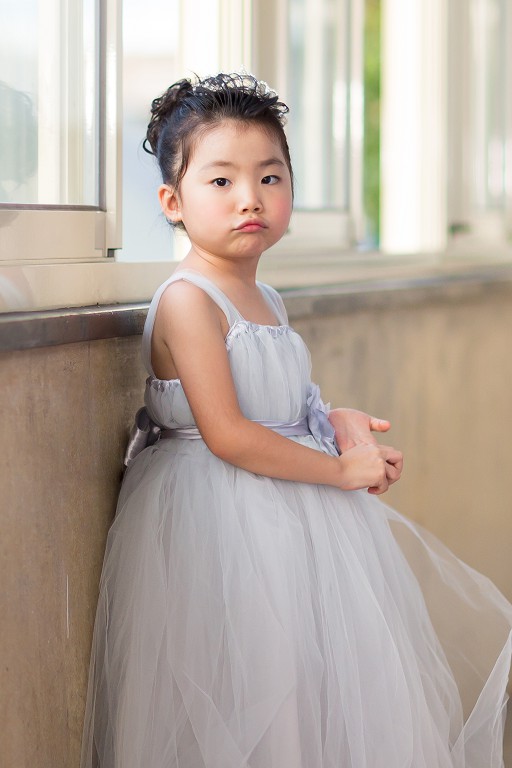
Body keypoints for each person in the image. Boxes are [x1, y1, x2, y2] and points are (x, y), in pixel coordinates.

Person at [81, 73, 512, 768]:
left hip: (289, 521)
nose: (250, 197)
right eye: (221, 181)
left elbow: (278, 406)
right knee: (254, 687)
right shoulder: (189, 300)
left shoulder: (266, 297)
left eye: (270, 177)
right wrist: (340, 472)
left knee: (311, 689)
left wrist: (335, 419)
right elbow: (228, 433)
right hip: (220, 524)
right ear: (172, 202)